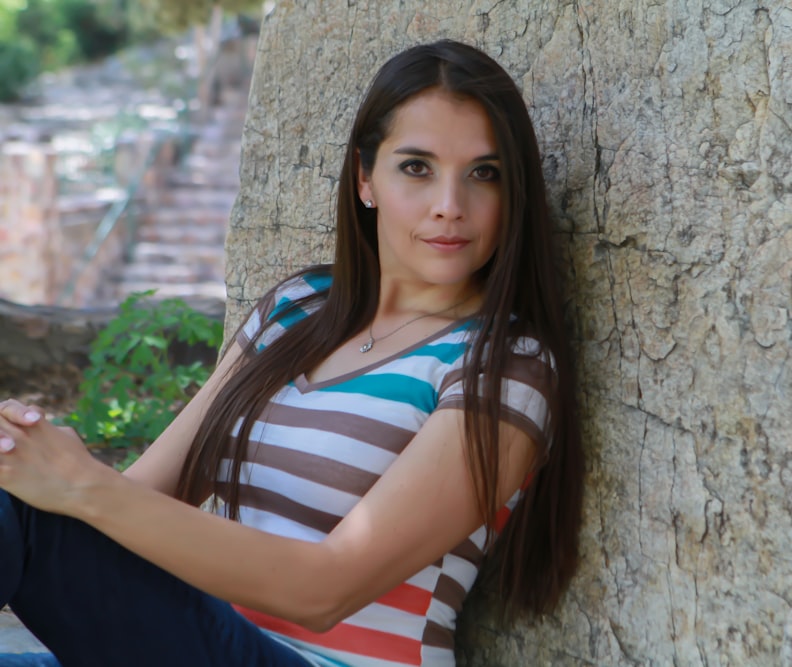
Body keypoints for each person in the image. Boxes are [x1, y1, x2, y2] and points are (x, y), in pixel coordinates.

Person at [0, 39, 583, 667]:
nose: (450, 205)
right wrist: (33, 462)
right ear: (366, 179)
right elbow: (146, 496)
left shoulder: (505, 365)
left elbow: (324, 589)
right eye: (417, 167)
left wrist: (78, 483)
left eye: (483, 173)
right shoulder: (297, 307)